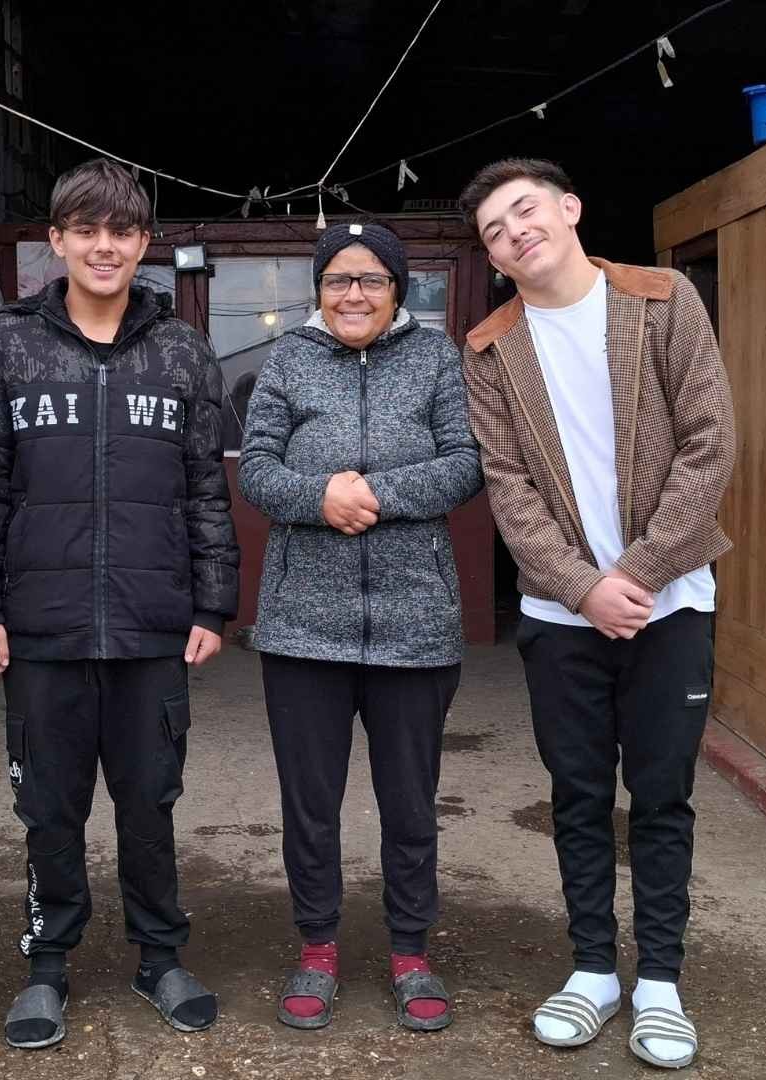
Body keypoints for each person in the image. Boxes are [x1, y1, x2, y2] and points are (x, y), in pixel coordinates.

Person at [0, 158, 240, 1050]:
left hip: (153, 623)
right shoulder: (11, 344)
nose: (103, 246)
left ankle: (160, 954)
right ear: (59, 241)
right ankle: (47, 964)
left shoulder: (182, 349)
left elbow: (204, 491)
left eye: (121, 231)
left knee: (150, 798)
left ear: (143, 243)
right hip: (41, 626)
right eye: (85, 229)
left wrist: (212, 604)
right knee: (49, 806)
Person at [458, 158, 735, 1070]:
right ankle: (593, 971)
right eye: (495, 232)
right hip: (560, 614)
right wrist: (582, 588)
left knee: (661, 796)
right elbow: (509, 490)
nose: (513, 234)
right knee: (577, 797)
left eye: (524, 211)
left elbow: (710, 439)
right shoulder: (491, 347)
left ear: (569, 209)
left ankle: (660, 979)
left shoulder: (661, 301)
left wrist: (641, 572)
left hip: (672, 602)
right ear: (494, 259)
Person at [238, 222, 482, 1032]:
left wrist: (369, 494)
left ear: (397, 289)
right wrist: (319, 500)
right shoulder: (289, 360)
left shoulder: (437, 358)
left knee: (410, 800)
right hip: (304, 625)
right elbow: (260, 467)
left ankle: (410, 951)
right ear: (318, 290)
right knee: (312, 802)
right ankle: (317, 948)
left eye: (371, 280)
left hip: (416, 622)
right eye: (338, 280)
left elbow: (467, 461)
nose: (353, 294)